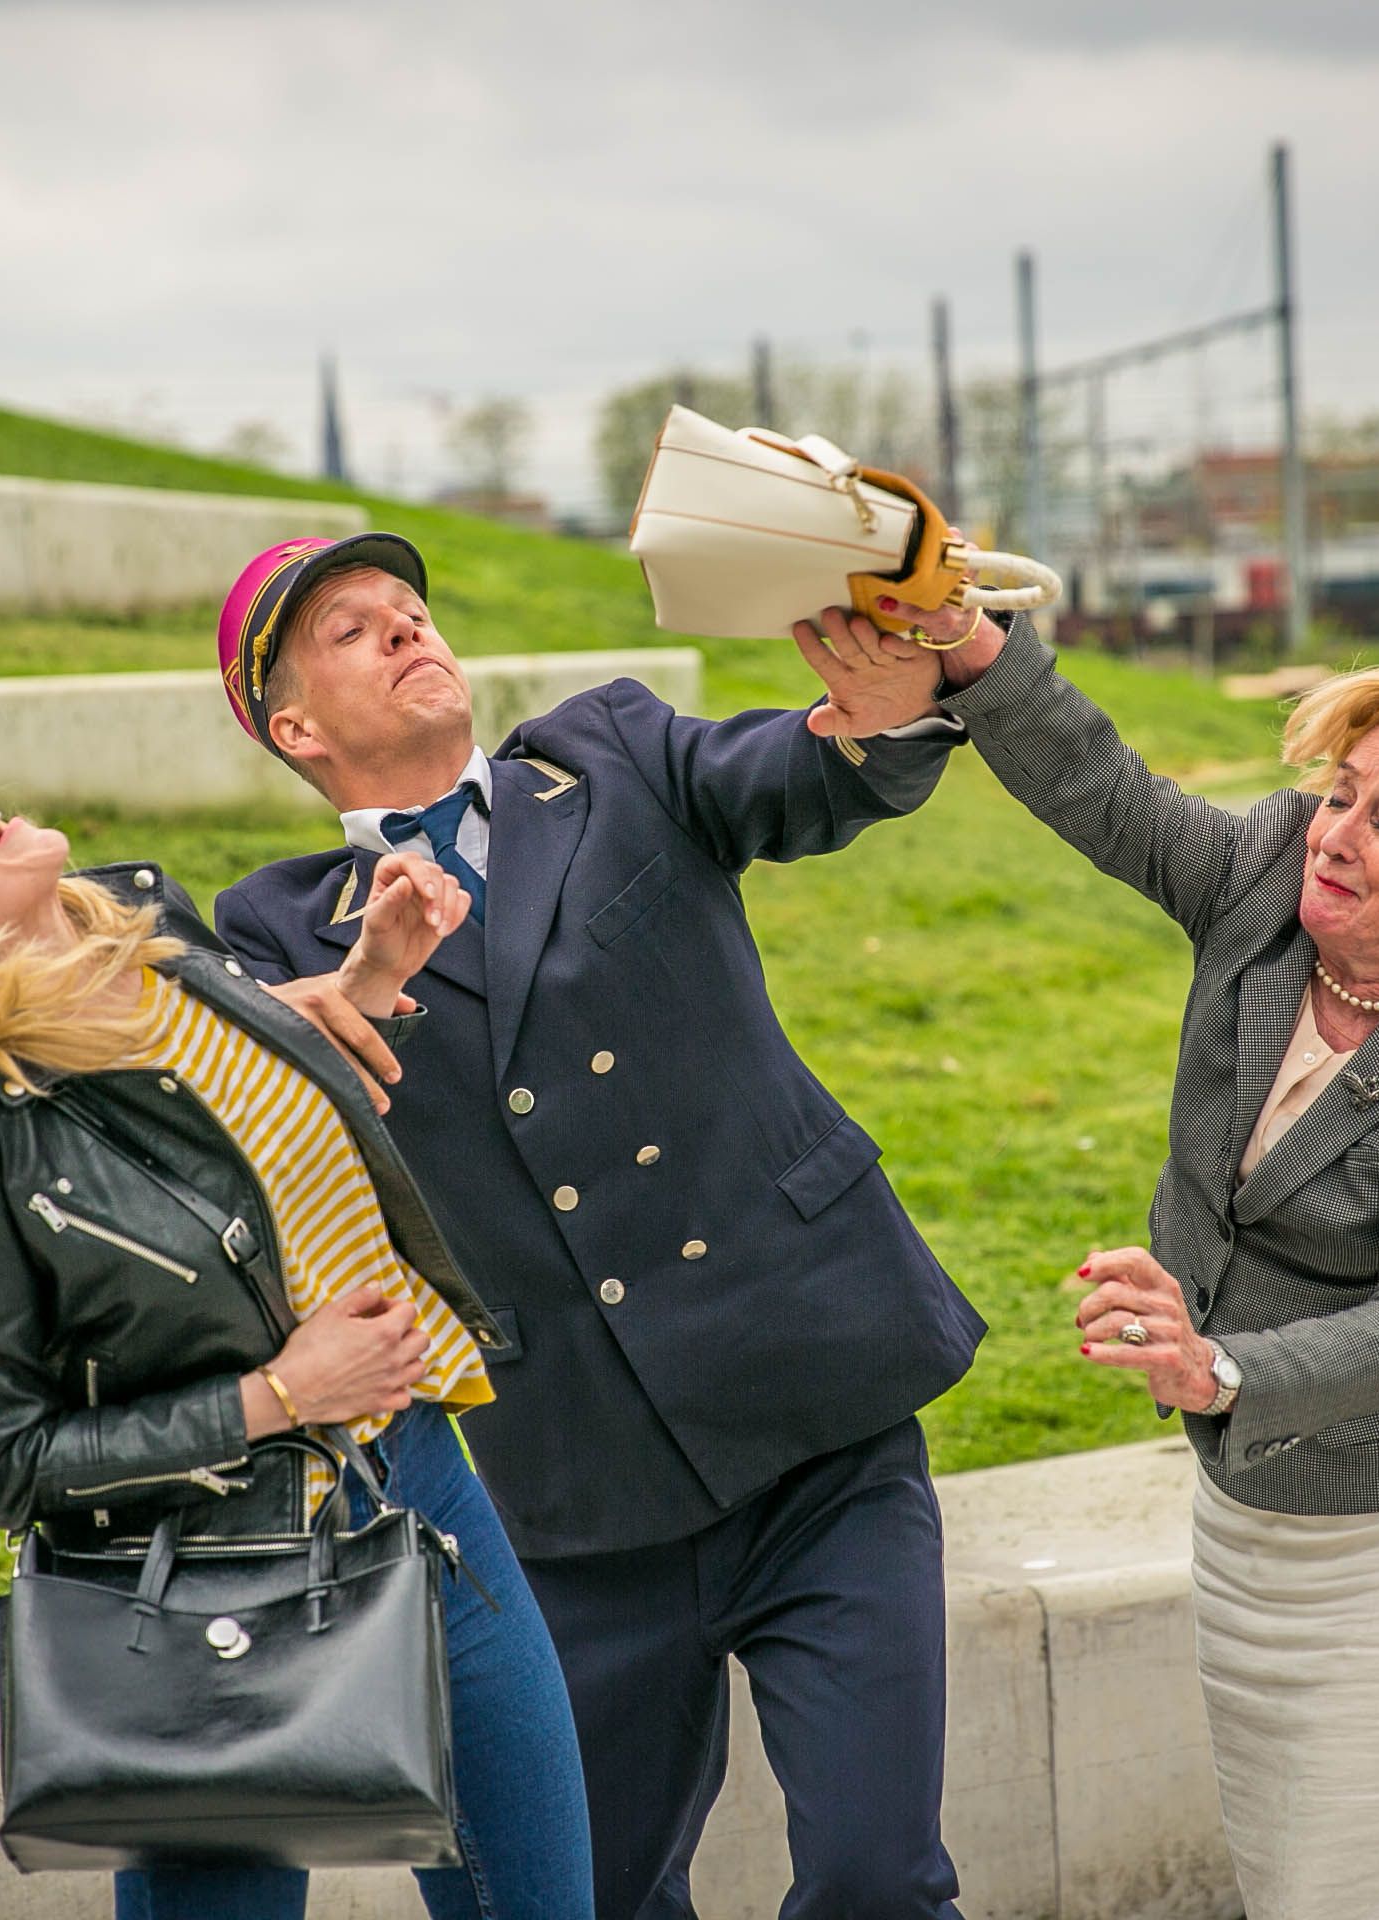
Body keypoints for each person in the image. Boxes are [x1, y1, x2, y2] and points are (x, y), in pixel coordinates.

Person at [0, 681, 594, 1920]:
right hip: (207, 1585)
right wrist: (282, 1396)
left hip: (422, 1492)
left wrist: (371, 976)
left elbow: (225, 1157)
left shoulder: (134, 926)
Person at [206, 533, 985, 1920]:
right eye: (349, 629)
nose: (403, 628)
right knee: (572, 1905)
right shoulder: (275, 936)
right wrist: (371, 979)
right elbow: (271, 1124)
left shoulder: (609, 753)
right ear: (294, 726)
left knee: (880, 1880)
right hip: (559, 1500)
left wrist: (875, 711)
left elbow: (798, 771)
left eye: (410, 608)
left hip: (817, 1421)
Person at [798, 595, 1379, 1920]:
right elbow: (1105, 791)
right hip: (1251, 1513)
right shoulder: (1268, 886)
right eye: (1339, 796)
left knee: (1366, 1884)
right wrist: (976, 649)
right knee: (1309, 1871)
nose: (1336, 835)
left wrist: (1218, 1363)